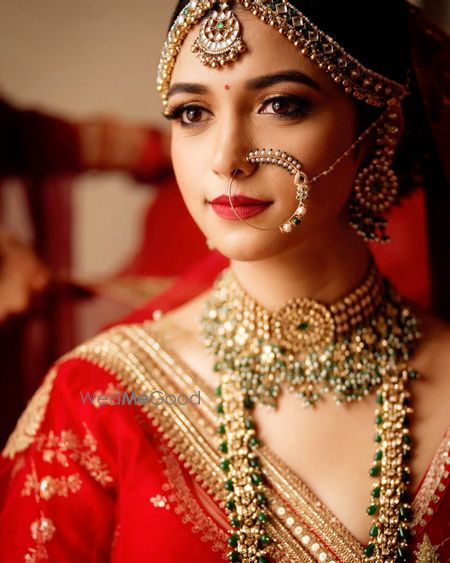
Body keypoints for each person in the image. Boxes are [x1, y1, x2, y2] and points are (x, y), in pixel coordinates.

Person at [1, 1, 449, 561]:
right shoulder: (98, 398)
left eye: (281, 105)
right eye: (192, 112)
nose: (225, 157)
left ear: (377, 131)